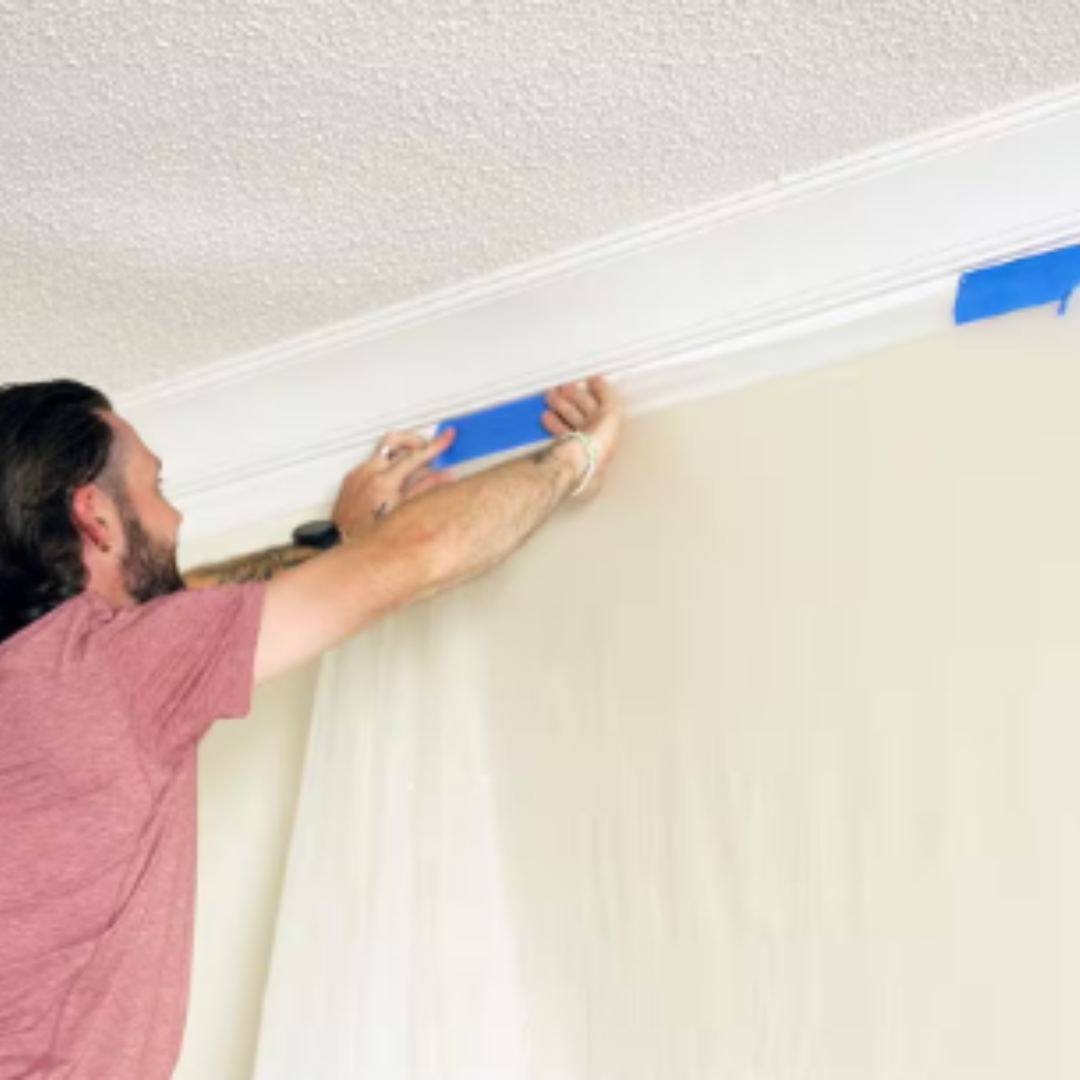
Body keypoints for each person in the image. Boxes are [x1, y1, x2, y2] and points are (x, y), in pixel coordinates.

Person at [0, 375, 624, 1079]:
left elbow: (200, 604)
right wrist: (577, 458)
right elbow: (414, 557)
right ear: (95, 517)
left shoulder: (43, 679)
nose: (174, 520)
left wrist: (345, 540)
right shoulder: (110, 670)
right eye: (158, 487)